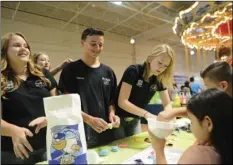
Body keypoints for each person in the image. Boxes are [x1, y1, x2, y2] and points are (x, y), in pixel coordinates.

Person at [1, 32, 58, 164]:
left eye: (26, 46)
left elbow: (57, 107)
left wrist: (50, 117)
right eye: (16, 45)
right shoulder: (2, 79)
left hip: (48, 146)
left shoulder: (43, 74)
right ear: (5, 51)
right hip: (15, 152)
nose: (23, 49)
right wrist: (13, 131)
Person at [58, 28, 120, 148]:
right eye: (93, 44)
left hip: (105, 131)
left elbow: (111, 101)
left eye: (100, 45)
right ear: (82, 43)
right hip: (78, 134)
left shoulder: (108, 72)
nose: (97, 48)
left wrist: (112, 114)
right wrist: (89, 120)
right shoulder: (70, 70)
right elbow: (66, 102)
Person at [151, 89, 232, 164]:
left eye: (191, 122)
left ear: (208, 124)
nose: (191, 128)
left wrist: (159, 151)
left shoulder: (198, 155)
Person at [115, 44, 176, 138]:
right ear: (150, 58)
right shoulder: (134, 71)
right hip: (118, 118)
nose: (161, 68)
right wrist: (147, 114)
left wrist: (168, 116)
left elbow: (167, 104)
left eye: (165, 66)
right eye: (160, 63)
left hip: (135, 119)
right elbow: (122, 102)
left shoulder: (159, 79)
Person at [157, 61, 232, 126]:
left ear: (223, 86)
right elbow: (200, 110)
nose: (206, 91)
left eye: (208, 87)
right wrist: (173, 112)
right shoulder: (219, 102)